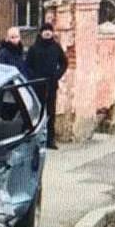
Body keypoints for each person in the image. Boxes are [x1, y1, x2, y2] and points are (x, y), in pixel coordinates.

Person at [25, 21, 67, 149]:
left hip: (51, 85)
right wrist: (34, 78)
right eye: (45, 30)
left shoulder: (56, 47)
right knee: (37, 113)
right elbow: (28, 66)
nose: (48, 32)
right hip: (38, 87)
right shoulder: (34, 48)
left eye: (50, 30)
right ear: (41, 33)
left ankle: (50, 140)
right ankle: (36, 140)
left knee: (51, 113)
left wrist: (57, 75)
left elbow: (64, 63)